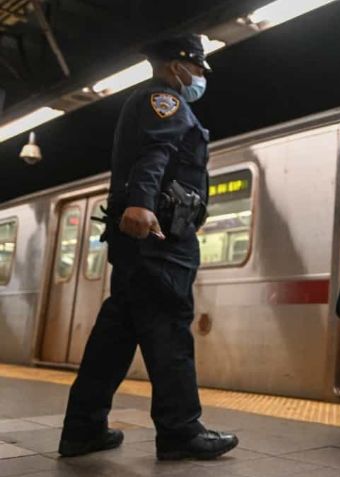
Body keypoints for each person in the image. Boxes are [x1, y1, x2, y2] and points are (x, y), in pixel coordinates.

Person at [58, 34, 238, 461]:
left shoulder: (149, 101)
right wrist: (141, 203)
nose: (199, 77)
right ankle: (180, 432)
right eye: (197, 67)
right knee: (170, 330)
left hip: (141, 245)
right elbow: (155, 154)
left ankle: (82, 430)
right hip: (160, 242)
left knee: (114, 339)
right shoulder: (166, 101)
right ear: (178, 64)